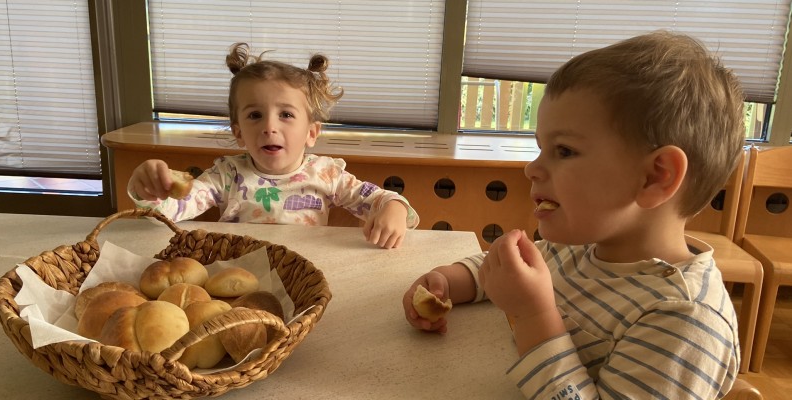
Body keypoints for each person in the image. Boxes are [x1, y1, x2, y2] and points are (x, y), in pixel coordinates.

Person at [403, 31, 742, 398]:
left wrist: (533, 315)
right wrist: (447, 281)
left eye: (564, 151)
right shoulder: (576, 249)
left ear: (655, 177)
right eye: (540, 149)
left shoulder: (684, 318)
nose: (532, 169)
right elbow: (502, 272)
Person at [129, 43, 419, 249]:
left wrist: (394, 208)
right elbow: (168, 213)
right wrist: (149, 190)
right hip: (242, 274)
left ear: (311, 132)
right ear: (239, 133)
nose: (269, 127)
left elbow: (377, 199)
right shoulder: (226, 175)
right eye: (255, 115)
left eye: (286, 115)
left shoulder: (326, 174)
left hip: (306, 277)